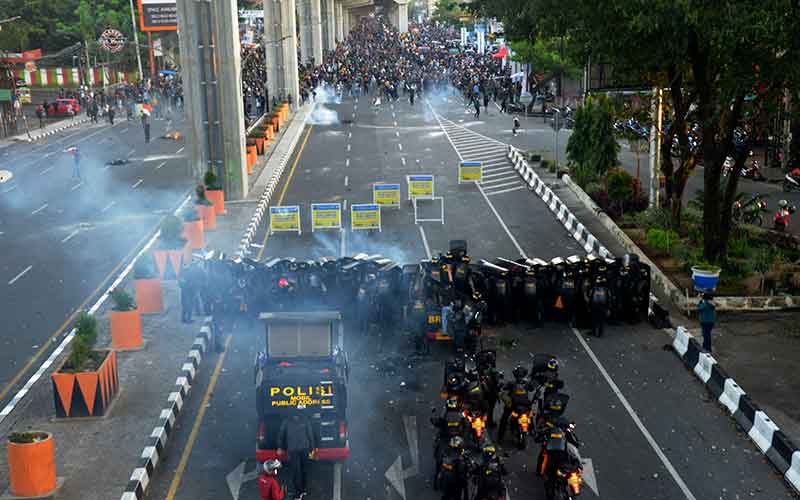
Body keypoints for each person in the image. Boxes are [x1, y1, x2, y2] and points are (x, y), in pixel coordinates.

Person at [277, 412, 318, 499]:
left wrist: (312, 449)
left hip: (298, 449)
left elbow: (281, 434)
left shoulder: (287, 421)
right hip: (297, 449)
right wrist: (312, 449)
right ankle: (299, 491)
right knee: (298, 471)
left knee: (301, 471)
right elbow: (310, 435)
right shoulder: (304, 420)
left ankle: (301, 490)